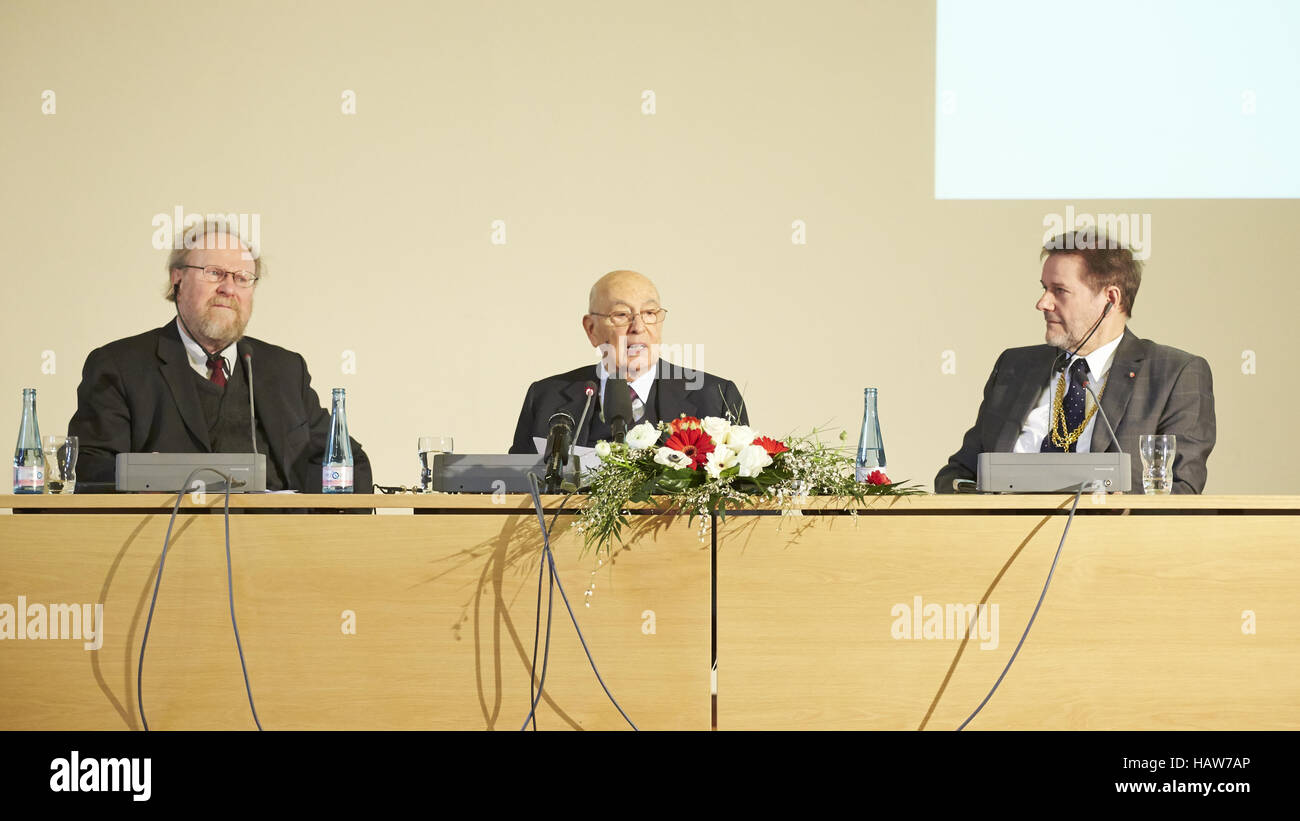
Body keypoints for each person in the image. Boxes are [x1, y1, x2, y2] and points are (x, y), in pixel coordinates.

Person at [69, 219, 373, 492]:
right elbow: (90, 472)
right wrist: (159, 477)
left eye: (242, 278)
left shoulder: (284, 370)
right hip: (164, 546)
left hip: (276, 545)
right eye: (214, 273)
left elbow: (348, 463)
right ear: (178, 279)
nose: (229, 288)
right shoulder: (119, 366)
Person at [936, 232, 1215, 494]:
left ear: (1110, 299)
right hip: (1005, 537)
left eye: (1060, 290)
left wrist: (1122, 509)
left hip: (1108, 540)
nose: (1043, 303)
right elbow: (957, 473)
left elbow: (1181, 490)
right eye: (1045, 288)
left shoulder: (1174, 374)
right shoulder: (1015, 367)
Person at [509, 270, 748, 453]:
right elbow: (516, 490)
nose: (639, 327)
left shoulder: (715, 397)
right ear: (591, 329)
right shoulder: (545, 398)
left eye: (650, 314)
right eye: (622, 315)